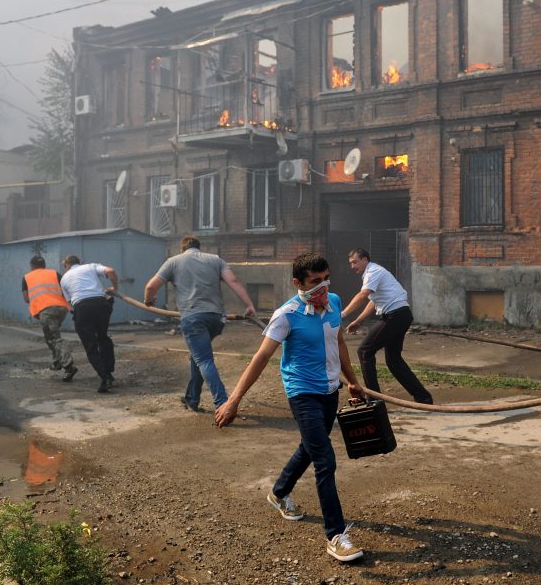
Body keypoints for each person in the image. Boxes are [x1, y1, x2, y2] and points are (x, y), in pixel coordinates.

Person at [215, 252, 366, 563]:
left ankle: (279, 493)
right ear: (298, 283)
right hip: (303, 394)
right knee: (325, 458)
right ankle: (336, 536)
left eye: (326, 280)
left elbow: (339, 343)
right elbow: (261, 358)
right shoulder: (287, 315)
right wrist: (234, 399)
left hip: (329, 390)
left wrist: (352, 381)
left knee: (310, 449)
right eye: (315, 282)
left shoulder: (334, 302)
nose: (323, 288)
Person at [144, 235, 255, 412]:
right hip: (216, 319)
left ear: (182, 249)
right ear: (199, 247)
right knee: (199, 356)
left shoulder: (173, 261)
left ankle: (222, 403)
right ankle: (192, 398)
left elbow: (151, 287)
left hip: (193, 318)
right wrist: (249, 305)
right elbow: (233, 281)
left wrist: (148, 300)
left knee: (204, 360)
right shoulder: (215, 260)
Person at [341, 248, 432, 404]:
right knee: (393, 360)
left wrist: (342, 315)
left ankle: (374, 398)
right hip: (401, 315)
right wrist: (358, 321)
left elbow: (363, 296)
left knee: (364, 351)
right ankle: (423, 397)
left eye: (355, 262)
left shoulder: (373, 272)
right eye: (350, 263)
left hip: (395, 316)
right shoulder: (372, 274)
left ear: (365, 260)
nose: (352, 266)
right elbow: (373, 301)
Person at [59, 255, 119, 393]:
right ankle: (109, 373)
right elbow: (111, 271)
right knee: (103, 338)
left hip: (82, 307)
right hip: (100, 304)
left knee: (90, 345)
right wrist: (114, 288)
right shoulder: (90, 266)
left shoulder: (64, 279)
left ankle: (105, 378)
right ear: (79, 262)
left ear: (66, 265)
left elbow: (70, 302)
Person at [21, 255, 78, 381]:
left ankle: (69, 366)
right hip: (62, 308)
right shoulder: (54, 273)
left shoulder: (27, 277)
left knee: (54, 338)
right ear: (44, 265)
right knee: (50, 337)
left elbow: (26, 299)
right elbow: (66, 289)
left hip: (46, 310)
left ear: (32, 266)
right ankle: (57, 362)